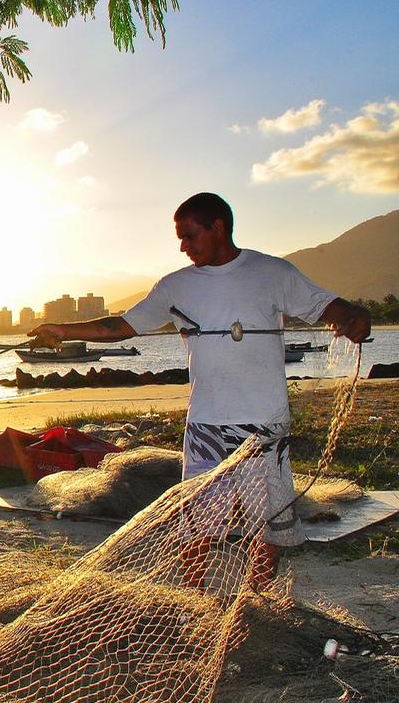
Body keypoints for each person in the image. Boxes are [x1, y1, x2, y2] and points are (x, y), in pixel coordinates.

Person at [29, 192, 370, 589]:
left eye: (189, 236)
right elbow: (120, 326)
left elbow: (329, 306)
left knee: (269, 523)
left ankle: (253, 600)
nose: (182, 246)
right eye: (180, 238)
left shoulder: (273, 273)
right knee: (198, 522)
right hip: (207, 423)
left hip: (264, 421)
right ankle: (194, 597)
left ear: (218, 227)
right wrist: (61, 330)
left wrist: (354, 317)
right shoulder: (176, 287)